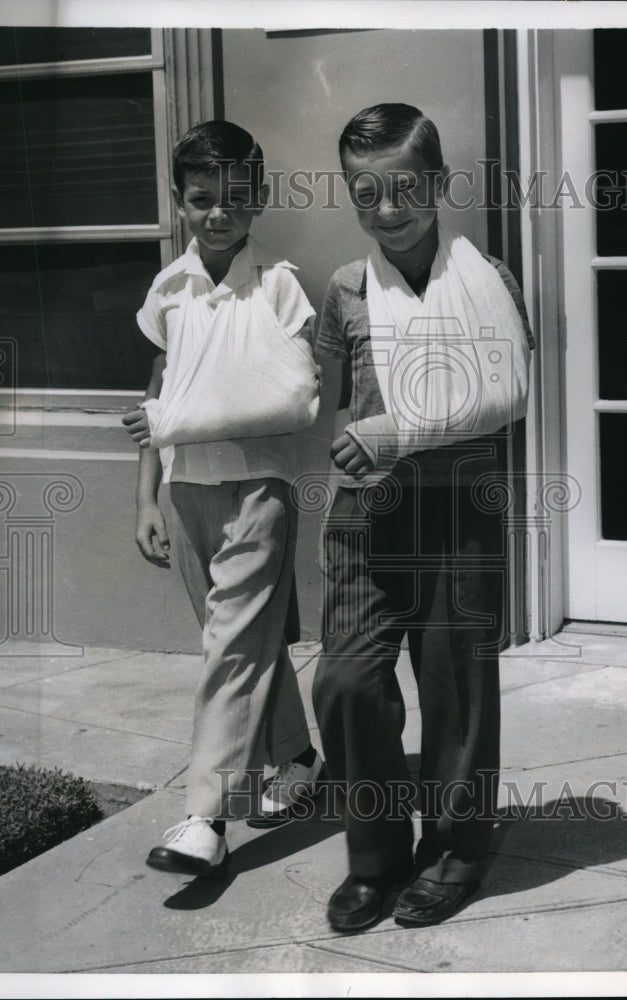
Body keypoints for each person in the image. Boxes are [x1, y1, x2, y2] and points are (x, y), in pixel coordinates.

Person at [312, 103, 534, 930]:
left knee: (455, 687)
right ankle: (374, 857)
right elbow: (325, 404)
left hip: (459, 514)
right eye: (365, 193)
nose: (387, 208)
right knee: (344, 682)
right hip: (369, 519)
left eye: (405, 188)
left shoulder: (488, 280)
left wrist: (399, 431)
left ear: (437, 183)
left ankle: (456, 848)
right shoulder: (342, 289)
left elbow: (505, 401)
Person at [122, 120, 323, 877]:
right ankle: (297, 755)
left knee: (230, 648)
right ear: (179, 202)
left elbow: (296, 396)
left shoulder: (277, 282)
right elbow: (160, 396)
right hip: (186, 489)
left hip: (257, 486)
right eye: (202, 199)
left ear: (259, 199)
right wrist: (144, 497)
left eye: (234, 199)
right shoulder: (168, 289)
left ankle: (204, 815)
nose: (217, 213)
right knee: (246, 641)